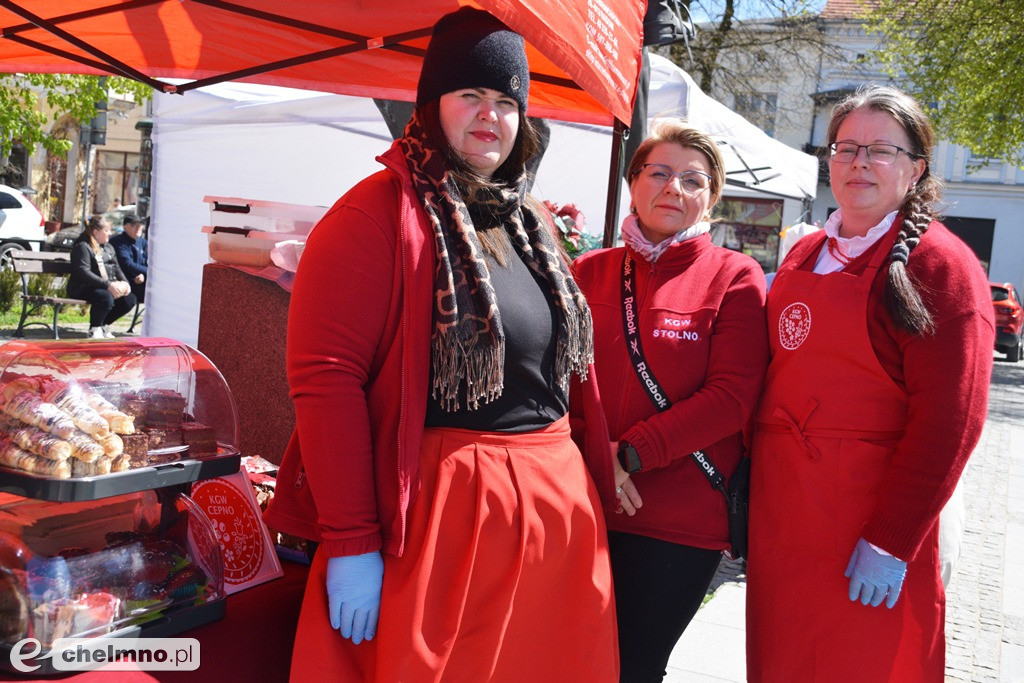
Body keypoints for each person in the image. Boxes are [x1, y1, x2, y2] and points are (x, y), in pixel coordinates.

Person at [264, 8, 619, 681]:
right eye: (471, 96)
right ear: (430, 106)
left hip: (553, 518)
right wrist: (351, 541)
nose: (491, 116)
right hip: (440, 522)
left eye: (507, 101)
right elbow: (325, 380)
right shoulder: (371, 215)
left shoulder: (530, 221)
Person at [746, 85, 995, 681]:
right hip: (785, 520)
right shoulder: (807, 254)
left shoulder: (940, 265)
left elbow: (950, 421)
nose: (859, 162)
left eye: (880, 150)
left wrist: (891, 538)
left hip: (868, 525)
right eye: (846, 146)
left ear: (916, 169)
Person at [571, 120, 769, 682]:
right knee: (565, 656)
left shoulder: (735, 277)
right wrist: (595, 453)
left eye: (692, 179)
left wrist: (627, 454)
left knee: (633, 667)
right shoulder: (588, 270)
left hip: (678, 522)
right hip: (583, 501)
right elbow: (553, 382)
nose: (673, 188)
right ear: (633, 183)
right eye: (658, 173)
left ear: (712, 197)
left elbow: (732, 398)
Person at [67, 215, 137, 339]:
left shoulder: (108, 247)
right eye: (107, 230)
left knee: (129, 300)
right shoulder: (82, 246)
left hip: (103, 286)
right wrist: (108, 285)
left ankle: (103, 325)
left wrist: (125, 284)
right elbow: (83, 272)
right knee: (105, 297)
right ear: (96, 232)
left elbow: (116, 267)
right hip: (82, 287)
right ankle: (94, 329)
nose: (110, 233)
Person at [110, 213, 147, 303]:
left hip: (142, 280)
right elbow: (127, 264)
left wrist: (144, 275)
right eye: (134, 225)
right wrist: (149, 272)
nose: (138, 228)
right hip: (126, 281)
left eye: (140, 225)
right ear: (125, 227)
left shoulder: (143, 242)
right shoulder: (118, 242)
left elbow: (149, 261)